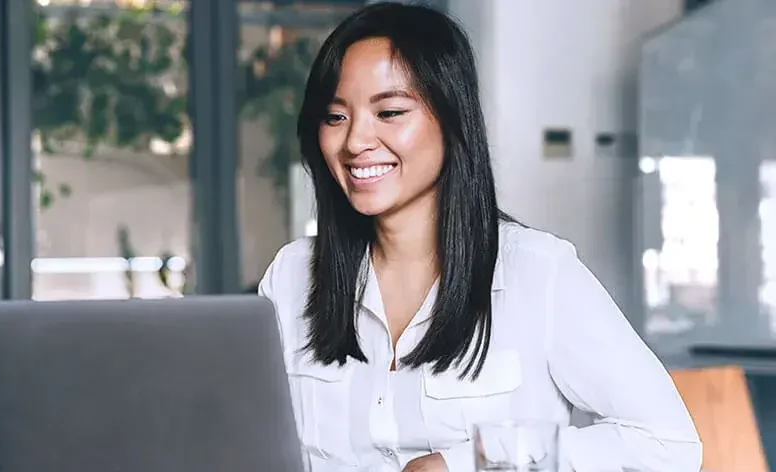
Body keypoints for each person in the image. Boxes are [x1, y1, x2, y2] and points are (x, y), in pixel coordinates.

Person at [259, 3, 702, 471]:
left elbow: (668, 444)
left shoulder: (538, 272)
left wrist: (464, 463)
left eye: (389, 112)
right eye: (335, 117)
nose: (354, 142)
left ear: (451, 120)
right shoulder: (291, 276)